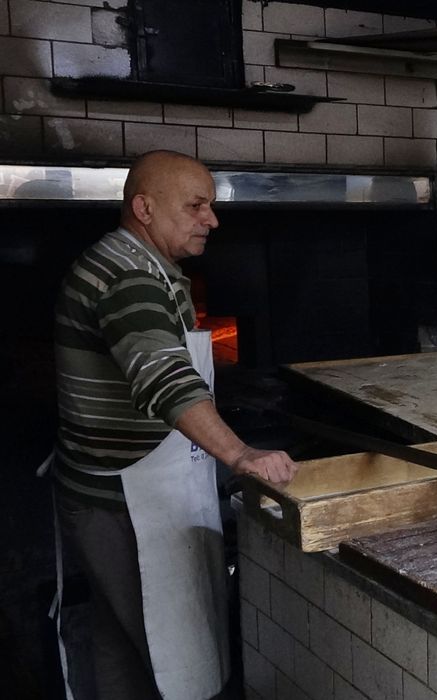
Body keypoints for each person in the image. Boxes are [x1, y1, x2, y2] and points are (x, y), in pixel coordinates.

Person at [49, 150, 298, 700]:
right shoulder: (131, 277)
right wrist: (239, 455)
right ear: (144, 207)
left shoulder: (132, 262)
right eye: (196, 206)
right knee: (169, 653)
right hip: (126, 504)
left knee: (124, 641)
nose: (211, 219)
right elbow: (163, 376)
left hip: (108, 492)